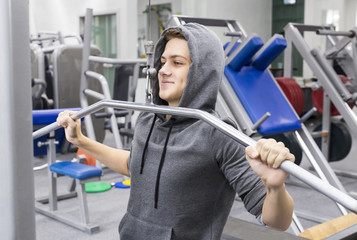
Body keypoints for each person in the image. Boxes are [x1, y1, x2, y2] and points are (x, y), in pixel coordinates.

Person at [57, 23, 294, 240]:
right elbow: (134, 164)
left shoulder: (218, 134)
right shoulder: (147, 118)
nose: (163, 70)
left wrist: (274, 187)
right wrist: (81, 140)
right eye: (163, 61)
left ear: (201, 72)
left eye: (177, 62)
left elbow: (277, 221)